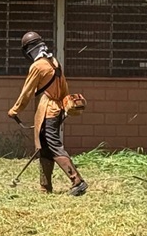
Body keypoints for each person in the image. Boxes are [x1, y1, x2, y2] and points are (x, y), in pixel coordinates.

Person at [8, 32, 88, 196]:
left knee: (53, 146)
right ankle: (45, 187)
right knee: (44, 148)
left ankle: (77, 181)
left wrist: (15, 110)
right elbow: (65, 88)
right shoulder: (54, 62)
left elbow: (27, 91)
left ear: (29, 50)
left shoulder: (37, 66)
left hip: (47, 112)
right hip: (57, 110)